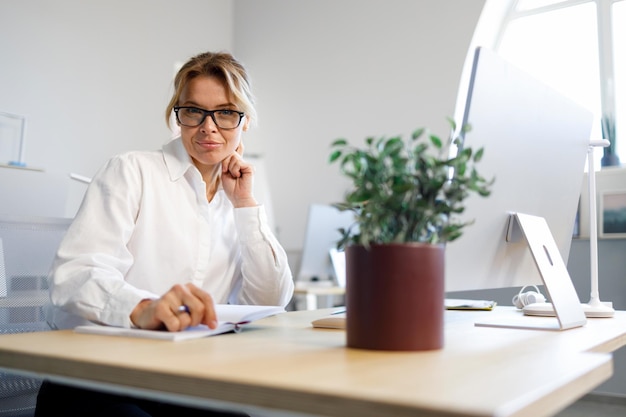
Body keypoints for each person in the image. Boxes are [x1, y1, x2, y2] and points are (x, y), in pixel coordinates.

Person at [35, 51, 294, 417]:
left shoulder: (238, 197)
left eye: (225, 112)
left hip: (185, 379)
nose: (208, 127)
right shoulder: (132, 171)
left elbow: (270, 301)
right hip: (98, 379)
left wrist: (246, 207)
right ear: (178, 115)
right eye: (193, 111)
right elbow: (74, 275)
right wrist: (143, 308)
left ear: (245, 122)